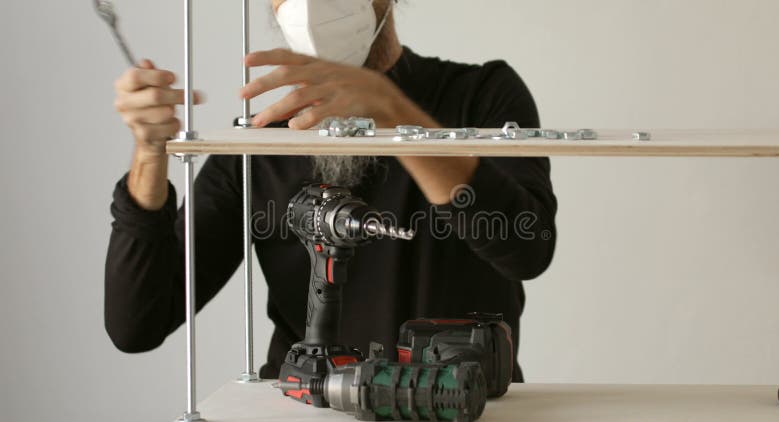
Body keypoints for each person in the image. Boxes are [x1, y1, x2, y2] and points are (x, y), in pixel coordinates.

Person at [105, 0, 558, 382]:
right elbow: (139, 324)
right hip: (308, 406)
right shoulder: (263, 144)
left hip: (456, 402)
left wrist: (391, 109)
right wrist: (149, 153)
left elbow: (527, 249)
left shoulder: (482, 95)